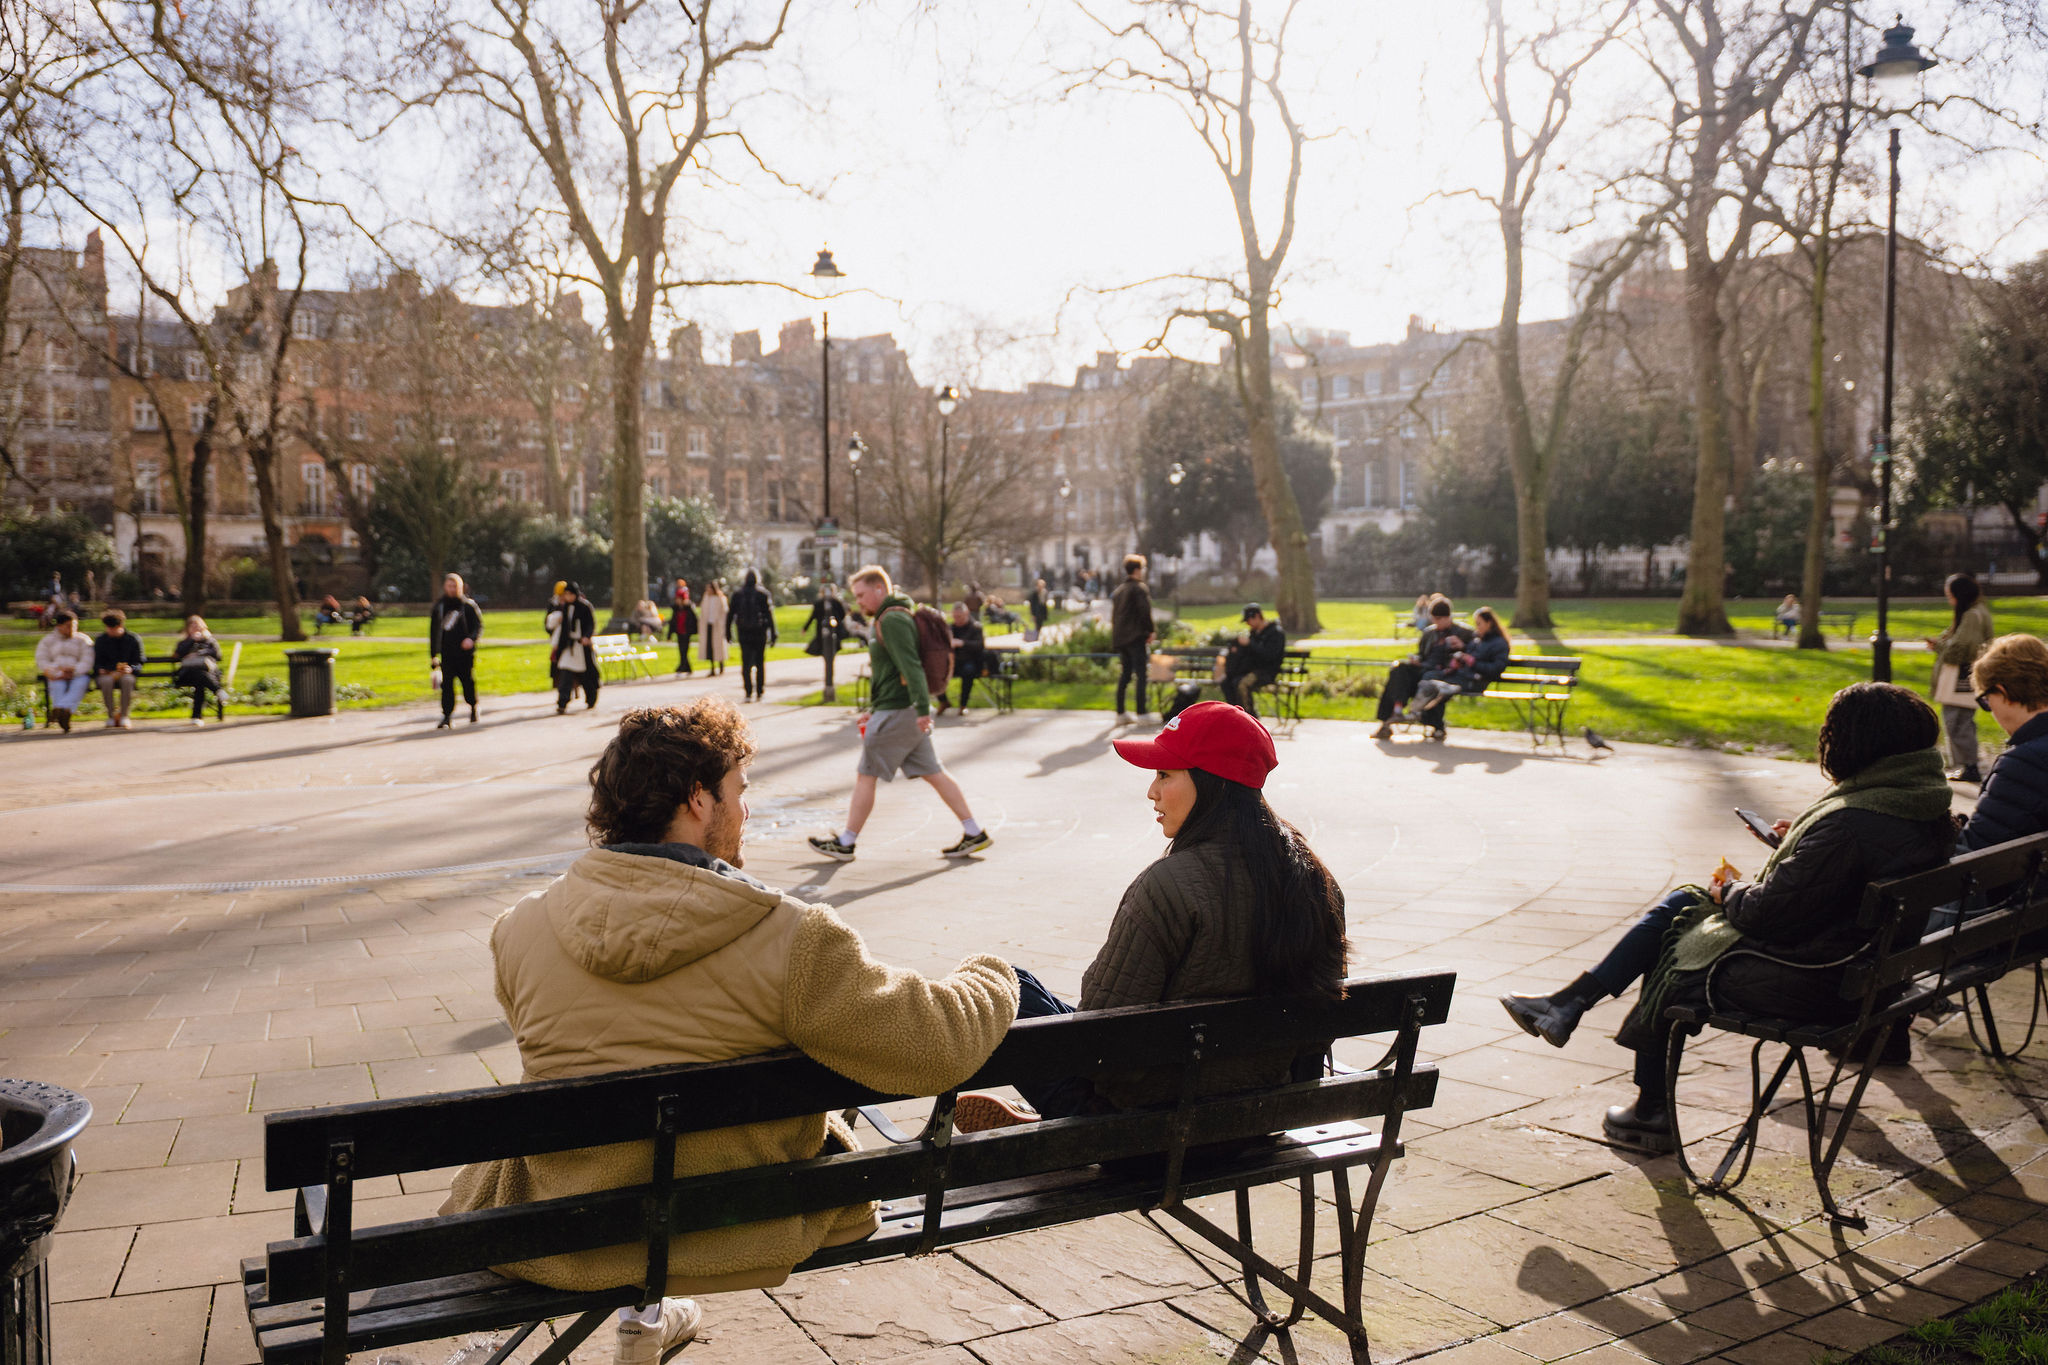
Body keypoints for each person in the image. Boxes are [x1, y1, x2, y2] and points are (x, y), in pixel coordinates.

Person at [440, 700, 1019, 1365]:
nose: (747, 811)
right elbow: (936, 1044)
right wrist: (994, 973)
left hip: (565, 1235)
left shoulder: (519, 930)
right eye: (740, 792)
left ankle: (647, 1316)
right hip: (738, 1227)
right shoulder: (794, 939)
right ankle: (653, 1311)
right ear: (697, 800)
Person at [1498, 683, 1954, 1153]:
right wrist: (1795, 850)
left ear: (1858, 743)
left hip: (1816, 982)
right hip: (1866, 973)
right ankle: (1571, 1003)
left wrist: (1728, 890)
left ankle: (1645, 1102)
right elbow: (1850, 870)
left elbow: (1764, 914)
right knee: (1683, 909)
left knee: (1678, 946)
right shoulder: (1924, 803)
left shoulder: (1849, 821)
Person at [952, 701, 1349, 1132]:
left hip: (1145, 1131)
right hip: (1261, 1117)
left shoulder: (1169, 887)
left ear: (1212, 784)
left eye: (1164, 774)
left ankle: (1050, 1125)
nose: (1151, 791)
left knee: (993, 985)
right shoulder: (1314, 880)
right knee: (1020, 983)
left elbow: (1100, 1048)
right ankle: (1038, 1115)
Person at [807, 565, 992, 862]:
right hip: (897, 708)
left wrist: (921, 710)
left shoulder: (892, 620)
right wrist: (874, 709)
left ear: (880, 589)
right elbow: (889, 672)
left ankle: (846, 842)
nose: (859, 602)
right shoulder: (890, 617)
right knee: (935, 773)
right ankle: (974, 832)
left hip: (898, 712)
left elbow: (911, 666)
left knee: (865, 774)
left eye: (862, 594)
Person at [1958, 634, 2048, 852]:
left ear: (2003, 692)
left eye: (1987, 701)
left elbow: (1978, 851)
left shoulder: (2024, 763)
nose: (1991, 711)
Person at [1926, 572, 1994, 785]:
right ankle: (1966, 765)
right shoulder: (1974, 612)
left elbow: (1962, 648)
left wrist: (1939, 646)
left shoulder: (1972, 615)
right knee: (1960, 720)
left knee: (1957, 721)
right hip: (1965, 677)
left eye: (1950, 595)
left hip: (1961, 679)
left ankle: (1969, 766)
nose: (1949, 600)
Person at [1404, 605, 1511, 738]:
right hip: (1463, 675)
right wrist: (1460, 658)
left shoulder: (1499, 643)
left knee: (1438, 687)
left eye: (1479, 624)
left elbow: (1496, 669)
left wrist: (1472, 662)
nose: (1476, 627)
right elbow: (1470, 654)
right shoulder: (1478, 640)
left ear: (1489, 623)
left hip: (1477, 680)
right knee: (1431, 680)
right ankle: (1428, 720)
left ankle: (1422, 716)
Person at [1374, 599, 1473, 739]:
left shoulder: (1463, 633)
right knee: (1399, 670)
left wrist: (1463, 646)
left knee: (1432, 680)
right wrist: (1417, 660)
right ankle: (1393, 713)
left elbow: (1473, 653)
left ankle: (1435, 724)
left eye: (1439, 619)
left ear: (1448, 617)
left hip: (1445, 672)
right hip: (1425, 667)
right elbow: (1422, 654)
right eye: (1433, 619)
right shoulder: (1429, 633)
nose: (1436, 622)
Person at [429, 573, 483, 729]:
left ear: (460, 587)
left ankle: (473, 706)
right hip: (447, 653)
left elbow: (478, 626)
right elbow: (433, 632)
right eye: (449, 586)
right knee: (447, 686)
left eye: (455, 586)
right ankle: (447, 715)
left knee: (468, 682)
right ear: (445, 587)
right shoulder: (439, 607)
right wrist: (433, 655)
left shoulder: (468, 606)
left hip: (465, 654)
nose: (452, 589)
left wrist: (471, 639)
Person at [1111, 554, 1156, 726]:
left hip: (1121, 638)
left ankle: (1121, 712)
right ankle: (1142, 713)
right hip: (1135, 636)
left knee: (1125, 674)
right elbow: (1144, 611)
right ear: (1137, 570)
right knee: (1141, 675)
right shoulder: (1139, 588)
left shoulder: (1119, 590)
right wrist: (1150, 631)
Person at [1221, 603, 1286, 718]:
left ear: (1257, 616)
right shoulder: (1254, 633)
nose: (1248, 624)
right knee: (1227, 682)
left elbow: (1269, 655)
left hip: (1266, 671)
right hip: (1250, 669)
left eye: (1249, 620)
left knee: (1242, 684)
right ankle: (1234, 714)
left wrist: (1250, 644)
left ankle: (1248, 716)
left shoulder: (1275, 633)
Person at [34, 610, 93, 733]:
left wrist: (73, 670)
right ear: (59, 626)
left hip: (78, 674)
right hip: (57, 674)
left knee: (80, 684)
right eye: (69, 626)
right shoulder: (48, 641)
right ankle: (64, 715)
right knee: (57, 685)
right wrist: (56, 672)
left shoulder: (83, 640)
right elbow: (42, 659)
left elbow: (87, 659)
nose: (72, 629)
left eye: (74, 626)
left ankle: (61, 709)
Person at [547, 579, 598, 715]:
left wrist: (587, 636)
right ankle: (562, 702)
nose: (568, 597)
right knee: (565, 675)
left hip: (581, 646)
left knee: (585, 675)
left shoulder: (585, 607)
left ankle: (591, 697)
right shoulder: (564, 608)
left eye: (570, 594)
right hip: (568, 646)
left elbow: (590, 624)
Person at [727, 568, 777, 702]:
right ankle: (760, 691)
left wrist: (728, 633)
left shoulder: (738, 594)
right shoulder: (763, 594)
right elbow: (769, 615)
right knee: (760, 662)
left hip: (744, 633)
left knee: (746, 663)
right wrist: (773, 633)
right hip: (759, 633)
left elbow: (730, 615)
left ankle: (748, 691)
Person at [92, 608, 144, 730]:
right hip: (107, 673)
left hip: (125, 673)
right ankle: (111, 715)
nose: (110, 631)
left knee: (128, 680)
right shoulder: (101, 641)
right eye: (108, 628)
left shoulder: (132, 639)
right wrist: (100, 669)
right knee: (106, 681)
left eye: (113, 628)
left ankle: (124, 715)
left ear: (120, 625)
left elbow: (139, 661)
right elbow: (97, 661)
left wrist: (131, 668)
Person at [171, 615, 223, 726]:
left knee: (200, 680)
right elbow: (178, 654)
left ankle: (196, 717)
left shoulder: (209, 641)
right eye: (192, 626)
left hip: (206, 673)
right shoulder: (184, 642)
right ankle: (218, 691)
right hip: (187, 674)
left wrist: (200, 652)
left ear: (203, 627)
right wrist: (191, 641)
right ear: (188, 629)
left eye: (197, 626)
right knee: (199, 676)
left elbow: (218, 655)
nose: (195, 629)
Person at [940, 603, 986, 715]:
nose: (957, 620)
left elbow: (980, 645)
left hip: (970, 661)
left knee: (968, 672)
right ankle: (944, 701)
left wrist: (962, 643)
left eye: (959, 617)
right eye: (955, 617)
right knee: (935, 672)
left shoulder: (975, 627)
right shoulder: (950, 628)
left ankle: (963, 705)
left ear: (966, 614)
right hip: (953, 662)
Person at [804, 582, 847, 669]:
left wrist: (805, 628)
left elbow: (813, 616)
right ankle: (829, 664)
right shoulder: (835, 602)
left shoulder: (829, 602)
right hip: (832, 629)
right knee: (829, 647)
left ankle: (828, 664)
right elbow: (842, 614)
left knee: (827, 647)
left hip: (823, 629)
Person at [698, 579, 729, 676]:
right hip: (708, 625)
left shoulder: (720, 598)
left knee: (718, 647)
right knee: (709, 647)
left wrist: (719, 622)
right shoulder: (706, 598)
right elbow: (703, 612)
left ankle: (721, 665)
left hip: (717, 626)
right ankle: (712, 668)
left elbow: (724, 612)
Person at [668, 581, 698, 676]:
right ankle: (687, 668)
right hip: (679, 631)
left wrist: (694, 630)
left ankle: (681, 668)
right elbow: (673, 622)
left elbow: (694, 620)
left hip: (686, 632)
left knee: (684, 650)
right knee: (681, 650)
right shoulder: (676, 609)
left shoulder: (689, 609)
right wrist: (669, 634)